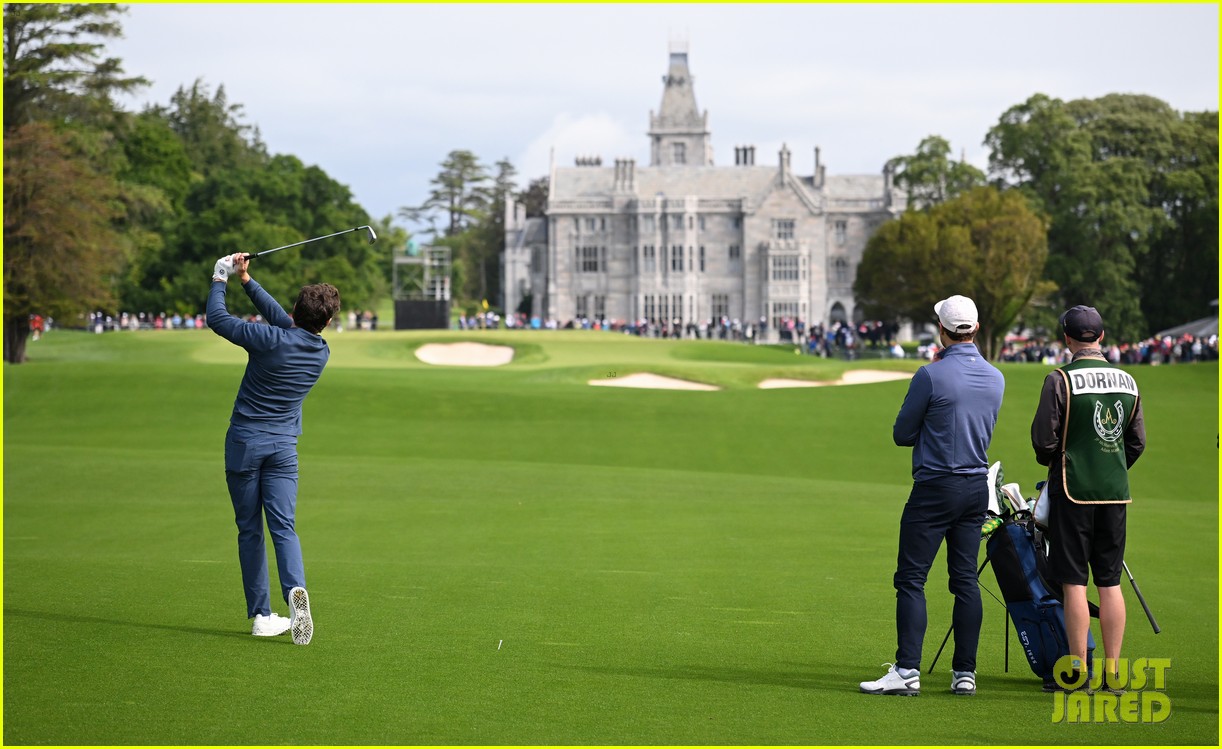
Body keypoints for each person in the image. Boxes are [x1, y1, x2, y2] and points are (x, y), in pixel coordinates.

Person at [860, 295, 1005, 697]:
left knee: (911, 578)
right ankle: (965, 674)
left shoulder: (930, 375)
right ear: (975, 329)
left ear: (942, 330)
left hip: (935, 487)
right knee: (964, 581)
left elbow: (901, 434)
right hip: (977, 487)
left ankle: (907, 670)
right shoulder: (996, 377)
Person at [207, 252, 340, 645]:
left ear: (296, 310)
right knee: (283, 527)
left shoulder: (268, 339)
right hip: (284, 449)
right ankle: (295, 590)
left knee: (250, 530)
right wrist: (246, 280)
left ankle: (263, 615)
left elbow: (217, 320)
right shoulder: (320, 351)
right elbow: (288, 322)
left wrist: (220, 278)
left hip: (246, 444)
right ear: (327, 322)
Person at [1031, 305, 1145, 692]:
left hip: (1071, 490)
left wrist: (1062, 462)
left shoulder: (1060, 379)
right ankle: (1113, 675)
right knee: (1109, 582)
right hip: (1114, 493)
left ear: (1067, 338)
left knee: (1073, 582)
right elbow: (1137, 442)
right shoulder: (1128, 381)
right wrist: (1110, 465)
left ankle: (1077, 672)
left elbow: (1043, 441)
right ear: (1101, 335)